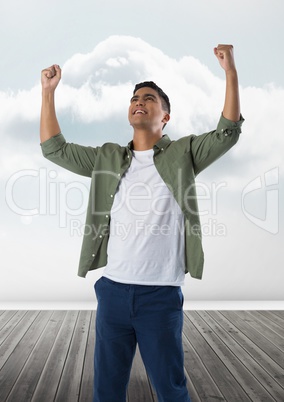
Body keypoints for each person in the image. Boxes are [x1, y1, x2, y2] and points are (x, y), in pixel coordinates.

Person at [40, 44, 244, 402]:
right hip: (113, 292)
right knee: (106, 390)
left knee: (170, 390)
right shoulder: (107, 157)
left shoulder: (184, 153)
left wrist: (230, 73)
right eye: (135, 97)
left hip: (160, 296)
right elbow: (54, 149)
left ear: (165, 116)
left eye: (149, 98)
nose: (139, 101)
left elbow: (227, 132)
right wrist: (48, 93)